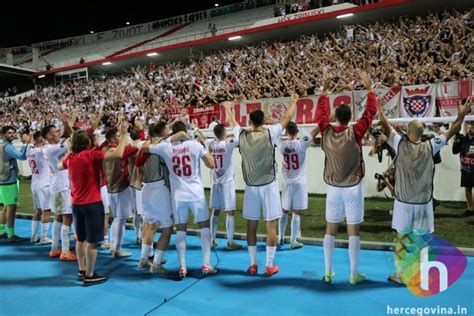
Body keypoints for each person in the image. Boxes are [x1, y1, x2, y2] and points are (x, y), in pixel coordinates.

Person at [378, 98, 471, 284]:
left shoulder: (400, 144)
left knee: (403, 238)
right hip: (423, 203)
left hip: (404, 202)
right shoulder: (431, 145)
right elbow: (453, 130)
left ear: (408, 131)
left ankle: (400, 274)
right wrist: (462, 114)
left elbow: (386, 125)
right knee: (421, 240)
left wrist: (379, 106)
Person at [223, 93, 297, 277]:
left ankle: (253, 264)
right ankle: (269, 265)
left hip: (251, 187)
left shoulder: (241, 134)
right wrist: (294, 101)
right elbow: (287, 118)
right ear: (264, 121)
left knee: (251, 226)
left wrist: (228, 109)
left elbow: (233, 123)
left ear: (250, 121)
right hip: (269, 185)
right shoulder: (270, 132)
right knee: (271, 225)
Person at [316, 73, 376, 285]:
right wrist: (369, 89)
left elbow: (320, 116)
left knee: (330, 229)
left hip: (333, 187)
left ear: (335, 117)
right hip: (353, 186)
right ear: (350, 118)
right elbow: (370, 113)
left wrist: (324, 91)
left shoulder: (326, 130)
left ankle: (328, 272)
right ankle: (353, 274)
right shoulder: (356, 132)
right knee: (353, 230)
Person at [138, 121, 216, 278]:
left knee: (181, 229)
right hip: (195, 193)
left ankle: (183, 267)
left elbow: (143, 147)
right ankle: (206, 264)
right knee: (204, 227)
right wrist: (204, 149)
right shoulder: (194, 145)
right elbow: (212, 164)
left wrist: (167, 139)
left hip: (178, 195)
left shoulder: (166, 146)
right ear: (186, 131)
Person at [61, 120, 128, 286]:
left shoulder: (70, 158)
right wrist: (124, 135)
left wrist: (69, 150)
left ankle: (82, 270)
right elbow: (118, 154)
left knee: (80, 240)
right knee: (92, 242)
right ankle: (90, 275)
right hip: (92, 203)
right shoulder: (91, 155)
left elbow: (58, 165)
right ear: (88, 143)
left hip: (76, 204)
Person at [136, 122, 187, 275]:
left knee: (150, 224)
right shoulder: (161, 144)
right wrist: (168, 137)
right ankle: (156, 263)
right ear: (161, 131)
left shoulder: (145, 145)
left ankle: (144, 259)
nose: (169, 130)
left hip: (146, 188)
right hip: (159, 188)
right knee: (167, 227)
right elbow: (182, 134)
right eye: (167, 128)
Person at [277, 122, 319, 249]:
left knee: (284, 211)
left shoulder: (282, 145)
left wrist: (280, 129)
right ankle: (293, 240)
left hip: (287, 182)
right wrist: (322, 123)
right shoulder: (302, 143)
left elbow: (274, 135)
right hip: (299, 183)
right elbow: (314, 133)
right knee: (296, 212)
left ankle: (280, 237)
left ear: (286, 132)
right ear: (297, 132)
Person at [101, 123, 139, 258]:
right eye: (117, 136)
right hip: (120, 187)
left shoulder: (105, 148)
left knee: (117, 219)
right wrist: (126, 135)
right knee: (120, 220)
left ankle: (113, 245)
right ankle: (117, 249)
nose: (121, 138)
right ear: (112, 139)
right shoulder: (116, 151)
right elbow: (134, 148)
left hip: (111, 188)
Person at [42, 116, 77, 261]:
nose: (58, 133)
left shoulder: (49, 148)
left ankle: (55, 248)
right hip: (62, 186)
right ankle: (65, 251)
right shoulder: (52, 149)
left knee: (58, 217)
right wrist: (69, 126)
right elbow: (72, 139)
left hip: (57, 185)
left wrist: (66, 124)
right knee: (67, 217)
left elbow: (68, 135)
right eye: (56, 131)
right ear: (49, 136)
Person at [208, 123, 242, 251]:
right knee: (230, 211)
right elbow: (240, 137)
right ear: (223, 133)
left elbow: (211, 145)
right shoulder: (229, 143)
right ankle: (230, 241)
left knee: (215, 210)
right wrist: (232, 134)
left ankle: (212, 240)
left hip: (215, 181)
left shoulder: (211, 144)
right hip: (227, 181)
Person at [0, 126, 30, 242]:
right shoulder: (7, 147)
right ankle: (11, 235)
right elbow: (22, 156)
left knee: (7, 207)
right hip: (9, 180)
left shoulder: (3, 145)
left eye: (13, 133)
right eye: (9, 133)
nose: (12, 135)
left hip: (4, 180)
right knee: (11, 207)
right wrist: (25, 144)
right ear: (3, 134)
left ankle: (1, 231)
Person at [26, 131, 52, 244]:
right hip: (44, 184)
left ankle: (33, 236)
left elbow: (30, 143)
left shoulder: (29, 150)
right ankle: (44, 237)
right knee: (46, 211)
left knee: (37, 211)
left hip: (35, 184)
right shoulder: (42, 151)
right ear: (42, 140)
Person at [452, 121, 474, 217]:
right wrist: (456, 140)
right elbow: (454, 151)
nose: (469, 129)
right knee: (467, 189)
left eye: (472, 127)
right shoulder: (463, 139)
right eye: (468, 127)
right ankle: (470, 209)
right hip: (466, 168)